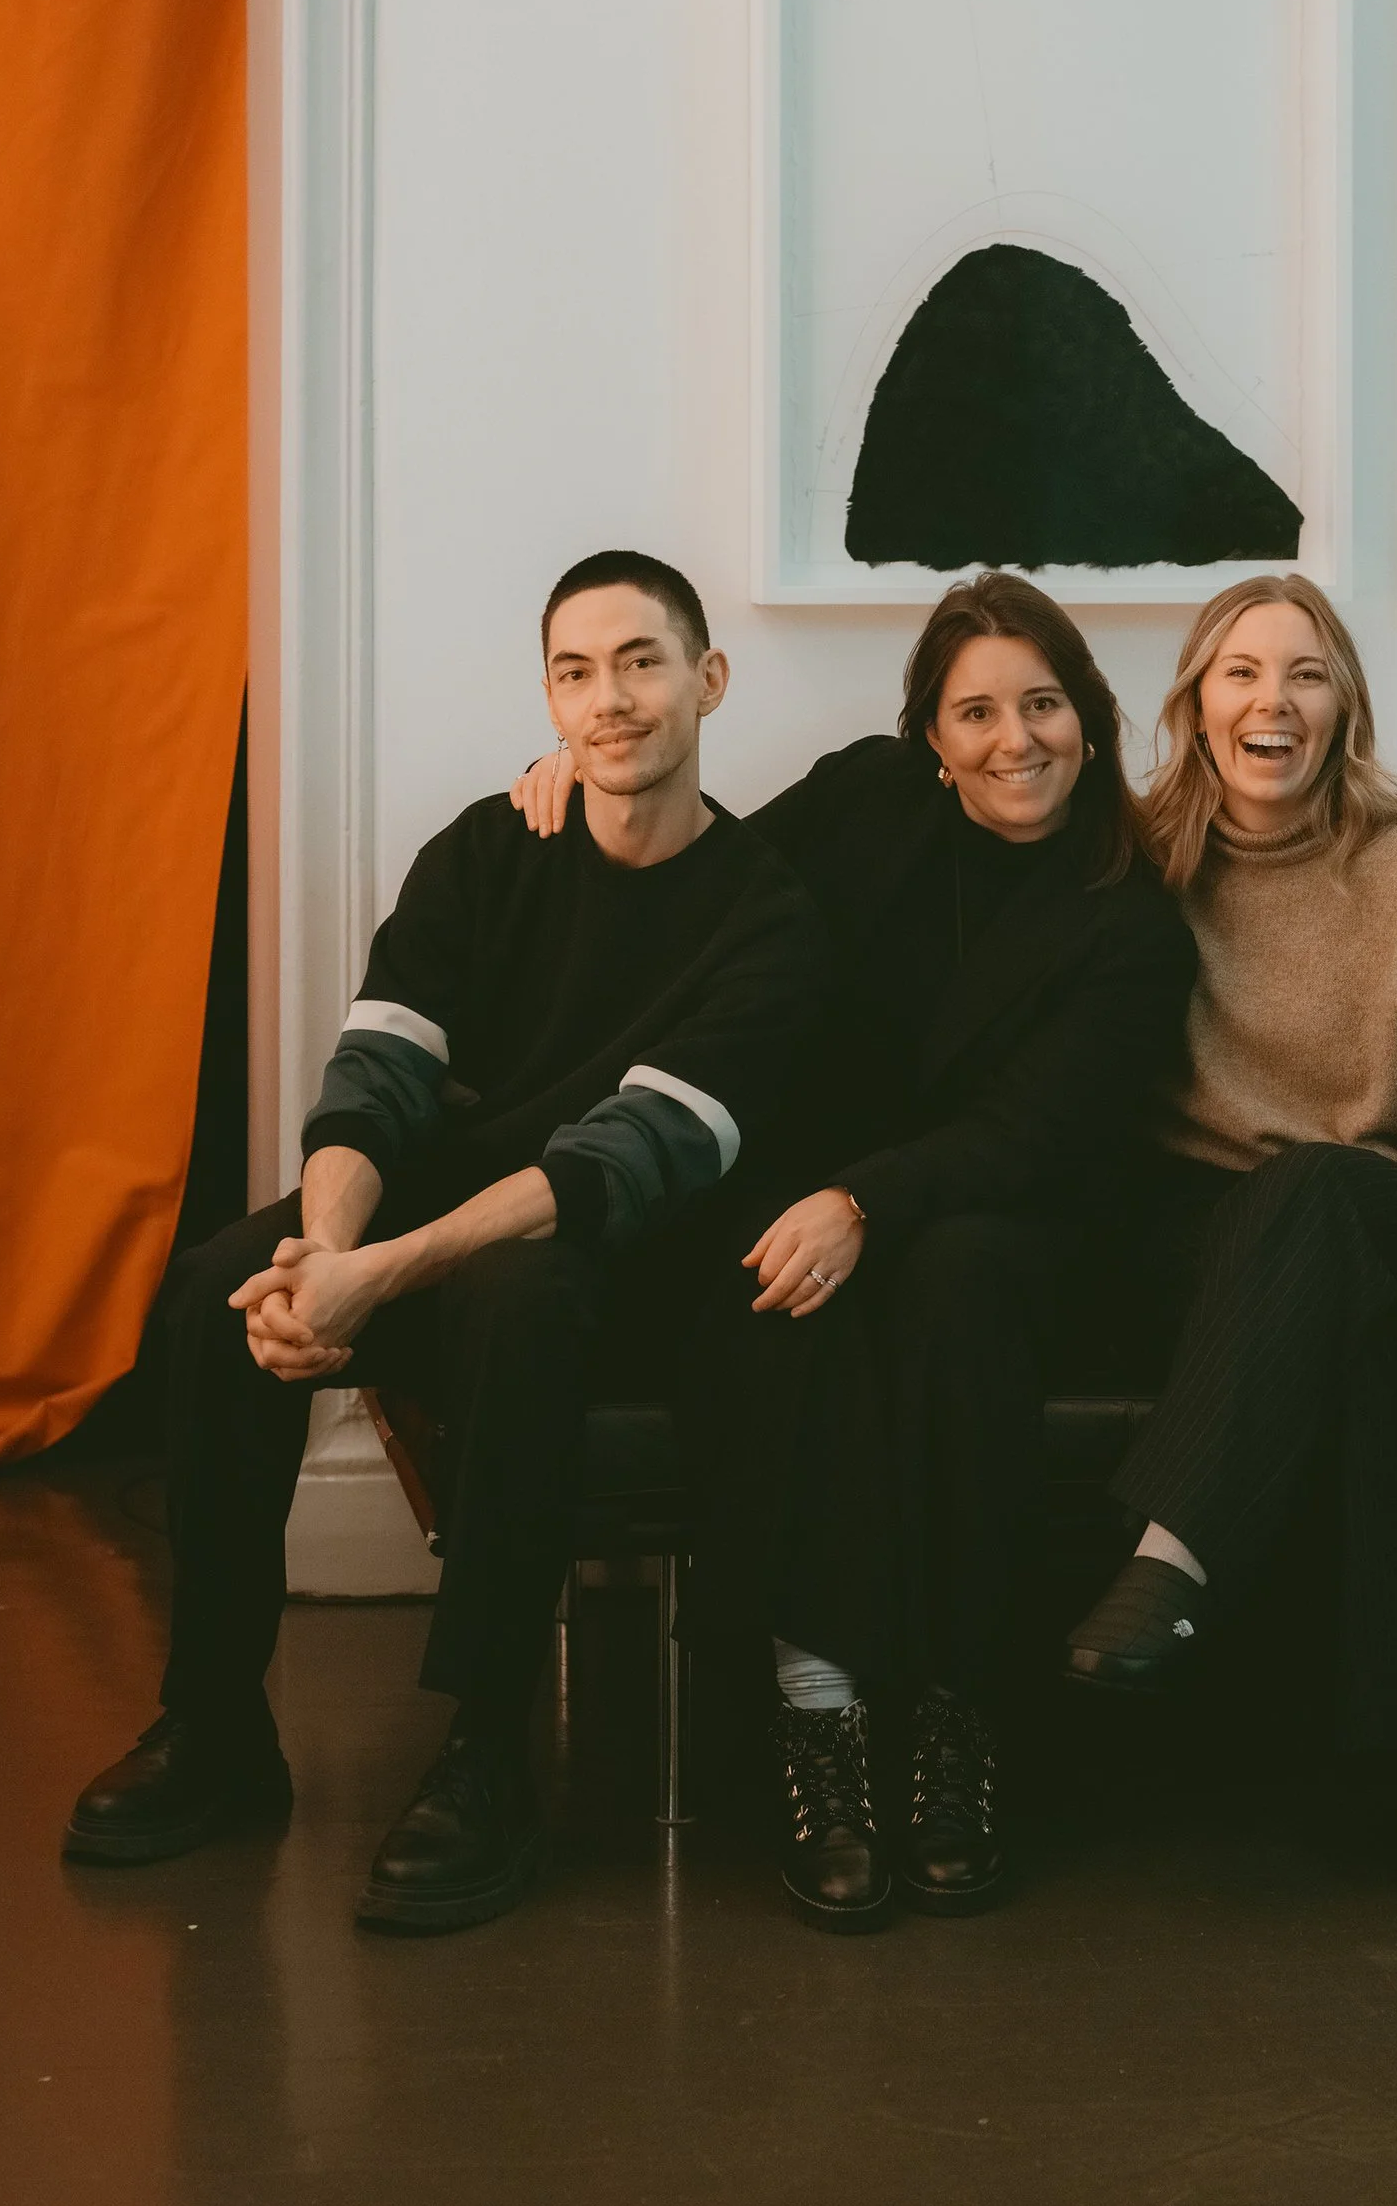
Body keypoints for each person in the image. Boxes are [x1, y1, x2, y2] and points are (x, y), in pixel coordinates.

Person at [63, 552, 826, 1932]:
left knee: (520, 1303)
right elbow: (378, 1078)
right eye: (577, 671)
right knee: (213, 1295)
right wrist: (320, 1260)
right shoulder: (489, 849)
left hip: (609, 1253)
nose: (611, 700)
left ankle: (489, 1753)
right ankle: (219, 1727)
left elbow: (619, 1162)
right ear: (549, 695)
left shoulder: (767, 915)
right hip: (423, 1213)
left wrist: (370, 1279)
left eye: (643, 661)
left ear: (710, 680)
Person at [511, 572, 1194, 1931]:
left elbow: (1036, 1135)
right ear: (928, 740)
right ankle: (816, 1718)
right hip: (807, 1190)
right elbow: (704, 879)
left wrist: (864, 1201)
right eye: (978, 711)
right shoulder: (865, 804)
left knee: (955, 1282)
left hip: (1016, 1224)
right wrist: (581, 782)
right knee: (770, 1270)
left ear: (1091, 718)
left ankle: (954, 1725)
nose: (1017, 739)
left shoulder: (1130, 915)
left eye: (1044, 704)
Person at [1059, 573, 1397, 1901]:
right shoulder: (1136, 855)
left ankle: (1172, 1553)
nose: (1271, 702)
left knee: (1327, 1200)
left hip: (1375, 1208)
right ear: (1196, 702)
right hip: (1197, 1243)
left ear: (1344, 704)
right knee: (1344, 1359)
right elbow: (925, 823)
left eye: (1303, 674)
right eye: (1240, 673)